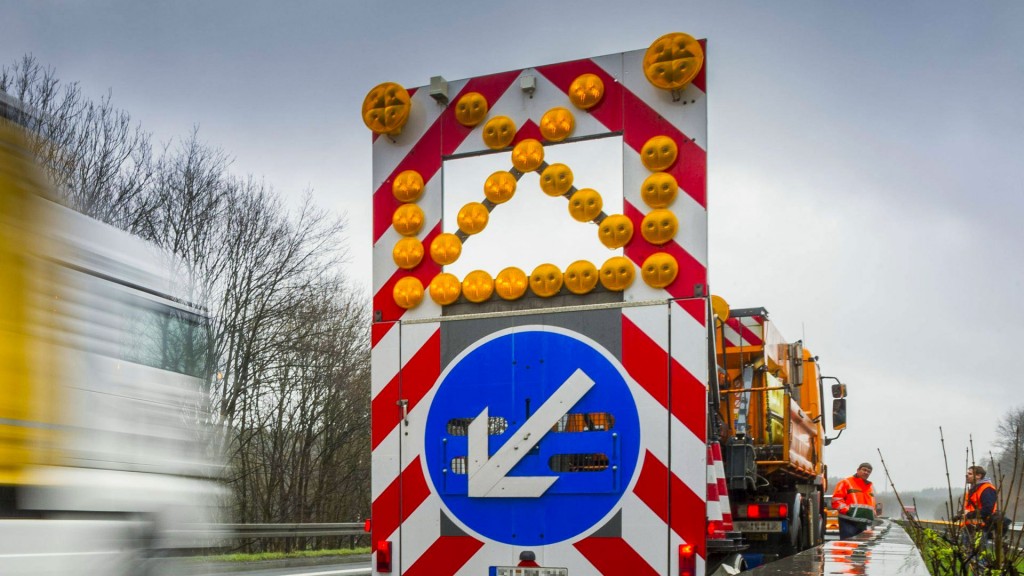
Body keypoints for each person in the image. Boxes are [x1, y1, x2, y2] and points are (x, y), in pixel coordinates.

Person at [954, 466, 999, 549]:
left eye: (970, 474)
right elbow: (969, 508)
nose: (966, 475)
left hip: (979, 528)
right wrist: (959, 515)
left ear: (979, 476)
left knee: (978, 558)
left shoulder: (987, 489)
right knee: (967, 556)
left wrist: (969, 515)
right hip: (968, 527)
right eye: (967, 473)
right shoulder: (973, 490)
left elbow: (987, 510)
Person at [831, 462, 876, 539]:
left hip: (863, 523)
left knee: (861, 549)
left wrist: (873, 513)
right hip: (848, 522)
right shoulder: (846, 482)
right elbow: (836, 500)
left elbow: (871, 503)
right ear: (858, 470)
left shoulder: (870, 487)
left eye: (869, 471)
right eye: (864, 470)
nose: (866, 472)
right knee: (848, 547)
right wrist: (848, 511)